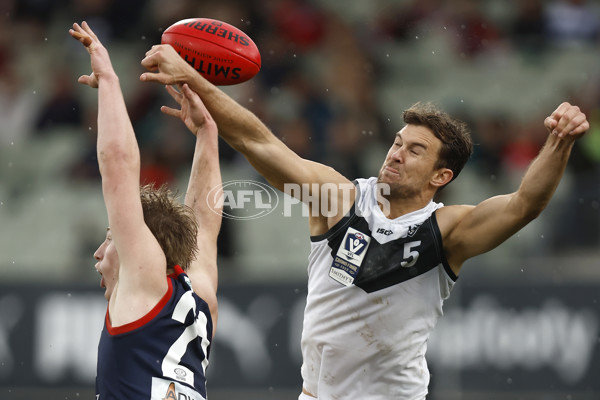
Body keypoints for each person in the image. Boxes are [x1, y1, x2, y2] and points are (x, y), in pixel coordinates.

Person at [140, 44, 589, 399]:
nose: (396, 153)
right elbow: (260, 143)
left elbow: (524, 204)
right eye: (397, 142)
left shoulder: (447, 232)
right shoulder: (339, 198)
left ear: (441, 176)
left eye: (415, 150)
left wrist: (559, 140)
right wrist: (195, 81)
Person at [69, 22, 222, 400]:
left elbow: (117, 164)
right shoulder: (199, 298)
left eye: (111, 238)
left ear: (144, 245)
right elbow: (203, 221)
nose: (100, 253)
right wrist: (207, 134)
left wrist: (108, 80)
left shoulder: (143, 284)